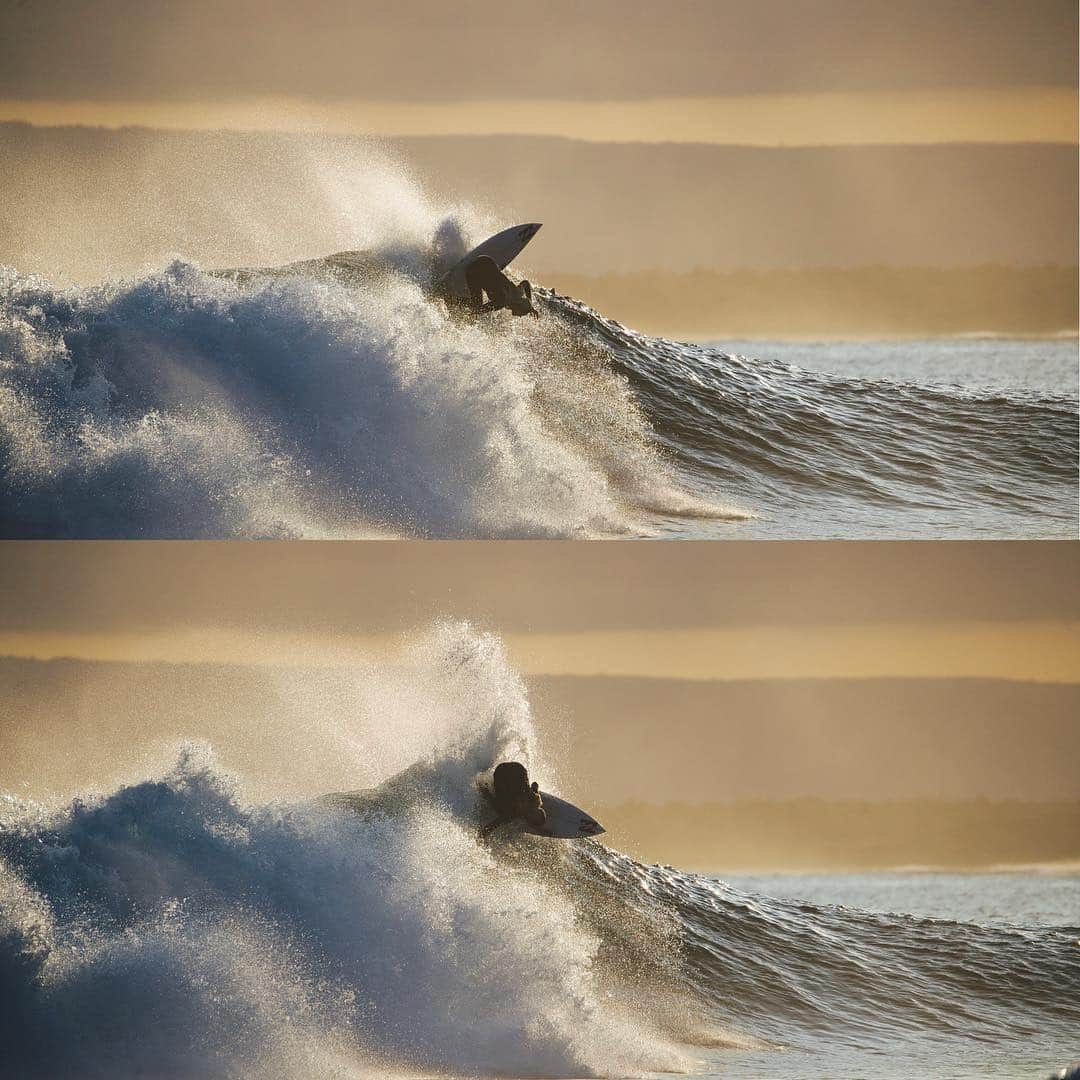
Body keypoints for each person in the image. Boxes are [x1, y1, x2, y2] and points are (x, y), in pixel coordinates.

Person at [478, 761, 546, 838]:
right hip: (501, 773)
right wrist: (482, 835)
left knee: (516, 792)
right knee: (500, 809)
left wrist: (533, 790)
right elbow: (495, 824)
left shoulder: (535, 798)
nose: (532, 812)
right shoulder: (513, 813)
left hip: (518, 768)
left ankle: (483, 783)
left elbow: (535, 784)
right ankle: (482, 786)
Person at [464, 255, 539, 318]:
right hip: (474, 272)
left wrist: (530, 304)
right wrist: (472, 315)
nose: (520, 316)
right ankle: (455, 300)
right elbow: (480, 309)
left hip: (486, 260)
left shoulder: (517, 292)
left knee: (477, 304)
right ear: (519, 306)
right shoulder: (503, 301)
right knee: (476, 306)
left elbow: (526, 283)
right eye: (521, 313)